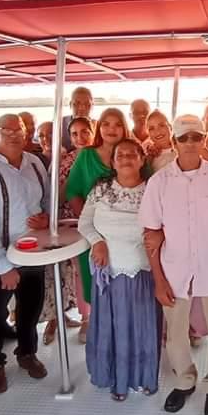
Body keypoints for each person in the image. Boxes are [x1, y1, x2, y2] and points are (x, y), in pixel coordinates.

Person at [140, 114, 208, 415]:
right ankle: (184, 381)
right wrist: (158, 280)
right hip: (174, 267)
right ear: (174, 143)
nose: (191, 143)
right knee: (175, 334)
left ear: (204, 140)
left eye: (196, 137)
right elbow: (150, 235)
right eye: (184, 138)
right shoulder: (158, 182)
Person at [0, 114, 50, 394]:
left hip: (33, 252)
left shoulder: (35, 163)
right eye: (7, 130)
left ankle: (27, 353)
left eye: (21, 129)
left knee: (31, 307)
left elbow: (47, 200)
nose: (15, 134)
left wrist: (47, 218)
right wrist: (3, 266)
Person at [78, 138, 161, 400]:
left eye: (131, 154)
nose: (126, 158)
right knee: (113, 327)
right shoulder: (101, 190)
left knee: (143, 327)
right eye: (120, 155)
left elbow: (166, 225)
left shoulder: (154, 190)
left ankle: (145, 377)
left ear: (141, 159)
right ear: (112, 162)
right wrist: (97, 242)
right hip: (109, 271)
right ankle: (116, 379)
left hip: (143, 271)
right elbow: (84, 223)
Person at [67, 107, 131, 327]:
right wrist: (89, 223)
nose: (111, 129)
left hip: (127, 238)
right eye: (106, 124)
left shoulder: (133, 153)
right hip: (94, 235)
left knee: (126, 287)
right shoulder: (86, 156)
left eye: (117, 124)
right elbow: (72, 191)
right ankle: (99, 330)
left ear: (125, 128)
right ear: (99, 127)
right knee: (97, 285)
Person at [40, 115, 94, 346]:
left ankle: (89, 317)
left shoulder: (102, 157)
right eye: (74, 134)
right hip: (68, 223)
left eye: (85, 132)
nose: (80, 137)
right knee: (70, 272)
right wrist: (73, 180)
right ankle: (67, 317)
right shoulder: (63, 161)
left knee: (90, 271)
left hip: (95, 222)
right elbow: (57, 196)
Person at [61, 86, 94, 153]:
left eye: (87, 104)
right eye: (77, 104)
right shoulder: (59, 124)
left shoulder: (99, 127)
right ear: (70, 105)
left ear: (92, 106)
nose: (82, 108)